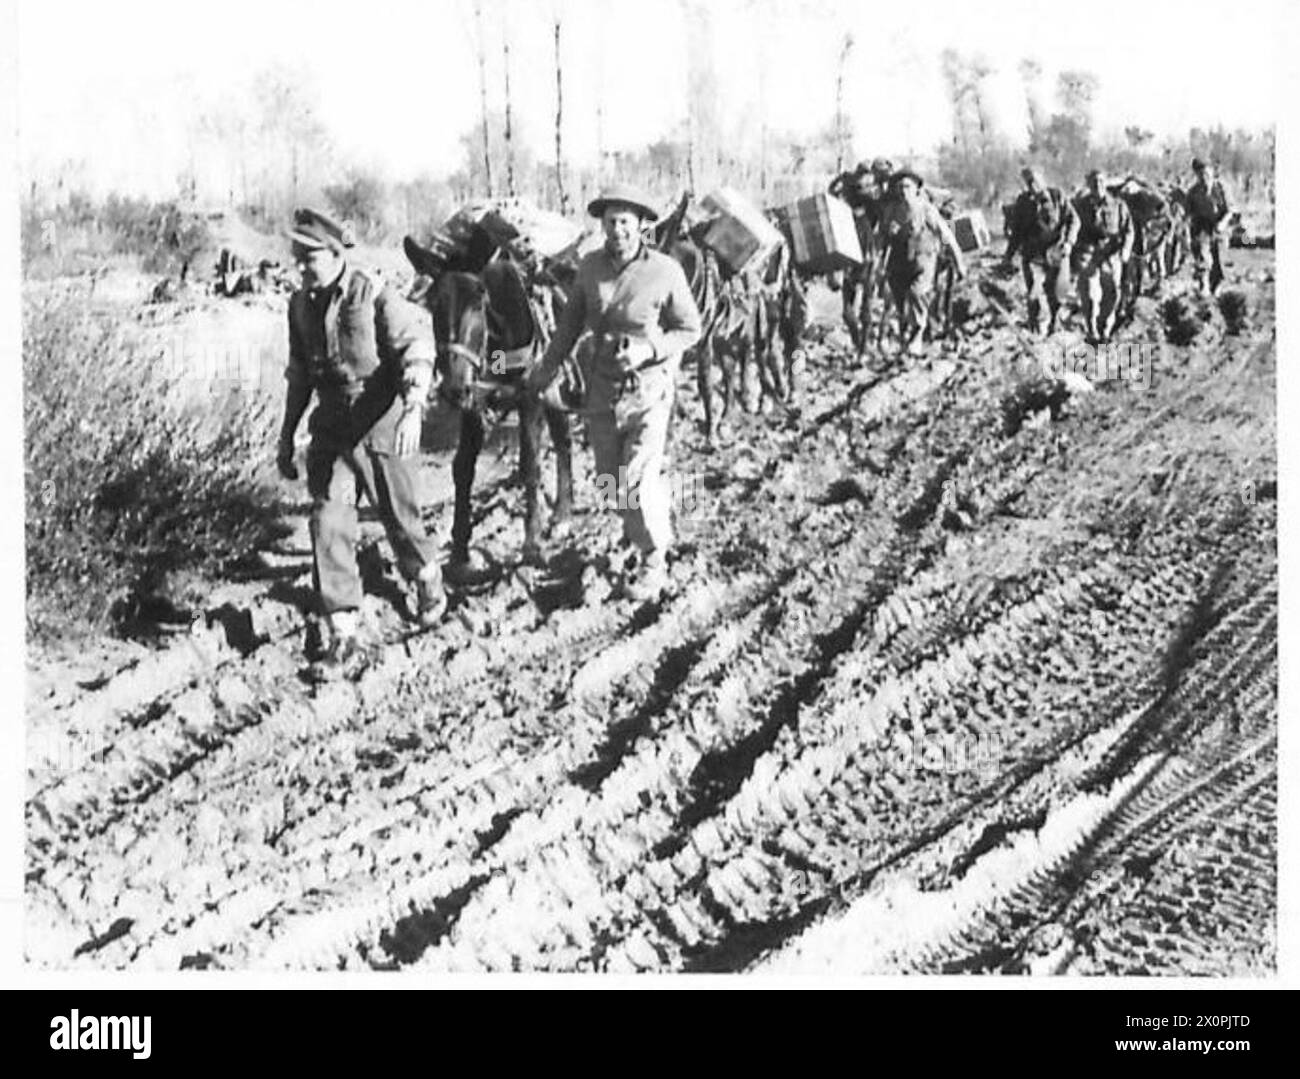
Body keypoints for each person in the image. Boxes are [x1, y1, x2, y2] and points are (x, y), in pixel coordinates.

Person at [278, 208, 445, 666]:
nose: (300, 267)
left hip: (381, 421)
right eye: (297, 257)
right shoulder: (299, 306)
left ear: (334, 255)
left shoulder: (373, 295)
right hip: (332, 427)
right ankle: (343, 629)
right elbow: (299, 377)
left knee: (400, 518)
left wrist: (414, 407)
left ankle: (426, 577)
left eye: (308, 257)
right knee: (328, 519)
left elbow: (417, 347)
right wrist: (287, 434)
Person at [524, 184, 702, 601]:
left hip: (648, 391)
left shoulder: (664, 271)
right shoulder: (589, 268)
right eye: (609, 222)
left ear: (641, 226)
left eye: (625, 222)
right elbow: (568, 328)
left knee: (637, 479)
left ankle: (655, 559)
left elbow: (689, 329)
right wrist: (543, 371)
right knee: (609, 481)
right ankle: (639, 526)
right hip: (600, 391)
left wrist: (649, 349)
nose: (617, 230)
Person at [878, 168, 966, 356]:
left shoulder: (926, 209)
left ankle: (917, 336)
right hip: (899, 263)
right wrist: (888, 234)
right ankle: (904, 339)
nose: (903, 191)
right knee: (900, 304)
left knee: (917, 294)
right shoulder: (891, 211)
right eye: (900, 187)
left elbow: (947, 235)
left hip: (923, 261)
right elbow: (881, 240)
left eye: (907, 187)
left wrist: (958, 262)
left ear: (916, 189)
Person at [1001, 166, 1077, 335]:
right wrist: (1008, 256)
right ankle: (1033, 322)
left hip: (1055, 251)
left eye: (1034, 181)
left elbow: (1073, 220)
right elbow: (1017, 233)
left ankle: (1054, 321)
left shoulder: (1057, 196)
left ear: (1042, 180)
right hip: (1033, 254)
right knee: (1033, 293)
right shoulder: (1023, 203)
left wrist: (1069, 243)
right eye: (1028, 183)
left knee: (1056, 292)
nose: (1032, 186)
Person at [828, 158, 893, 355]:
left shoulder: (876, 202)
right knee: (848, 312)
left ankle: (866, 348)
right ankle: (861, 345)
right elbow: (832, 191)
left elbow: (884, 221)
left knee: (867, 307)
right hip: (851, 254)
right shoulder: (847, 204)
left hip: (869, 254)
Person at [1071, 169, 1134, 344]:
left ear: (1105, 183)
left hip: (1110, 254)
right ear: (1088, 185)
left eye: (1100, 181)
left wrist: (1126, 250)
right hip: (1088, 253)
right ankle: (1091, 330)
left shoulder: (1118, 205)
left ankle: (1105, 328)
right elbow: (1070, 224)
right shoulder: (1080, 205)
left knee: (1112, 293)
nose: (1097, 185)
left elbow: (1129, 230)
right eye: (1093, 182)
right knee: (1088, 292)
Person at [1186, 157, 1230, 294]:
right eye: (1200, 175)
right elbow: (1188, 213)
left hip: (1219, 224)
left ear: (1212, 173)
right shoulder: (1193, 192)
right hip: (1201, 226)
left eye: (1206, 174)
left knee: (1219, 259)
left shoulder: (1221, 188)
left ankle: (1217, 286)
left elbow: (1231, 210)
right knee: (1202, 255)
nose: (1204, 178)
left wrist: (1222, 223)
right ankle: (1203, 284)